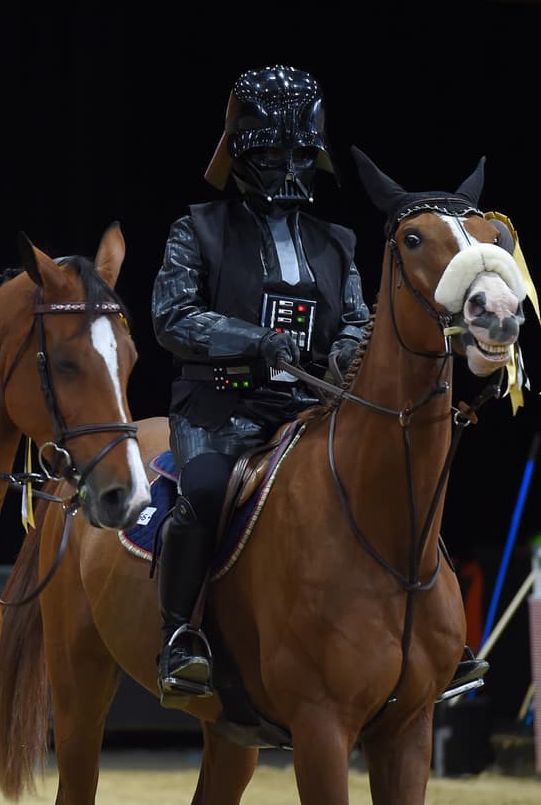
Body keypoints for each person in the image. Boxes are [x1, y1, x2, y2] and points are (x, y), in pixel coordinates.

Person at [149, 63, 488, 705]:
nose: (288, 165)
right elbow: (171, 316)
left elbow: (359, 320)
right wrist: (253, 339)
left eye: (300, 151)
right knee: (202, 491)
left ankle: (441, 642)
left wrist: (347, 351)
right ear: (244, 153)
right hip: (221, 409)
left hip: (311, 410)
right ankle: (180, 638)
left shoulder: (337, 242)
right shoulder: (196, 230)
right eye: (274, 151)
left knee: (404, 488)